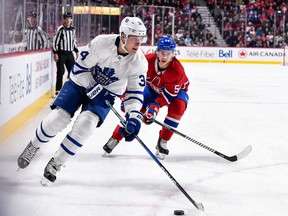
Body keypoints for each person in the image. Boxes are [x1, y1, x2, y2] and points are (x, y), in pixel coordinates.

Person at [17, 16, 148, 184]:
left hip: (105, 94)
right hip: (80, 83)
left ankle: (56, 162)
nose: (138, 43)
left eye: (141, 39)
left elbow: (135, 94)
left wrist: (134, 117)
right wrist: (92, 85)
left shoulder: (139, 62)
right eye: (134, 38)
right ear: (123, 36)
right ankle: (33, 146)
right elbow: (79, 69)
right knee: (59, 118)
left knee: (86, 125)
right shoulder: (101, 43)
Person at [103, 36, 189, 160]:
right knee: (136, 112)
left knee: (178, 106)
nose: (165, 57)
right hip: (152, 88)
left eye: (168, 54)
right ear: (157, 52)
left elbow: (168, 95)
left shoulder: (177, 71)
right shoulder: (146, 61)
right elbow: (132, 78)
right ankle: (116, 136)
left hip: (176, 92)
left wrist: (154, 107)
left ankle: (163, 141)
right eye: (162, 53)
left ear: (173, 54)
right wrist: (126, 95)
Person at [52, 12, 79, 96]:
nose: (68, 20)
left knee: (72, 71)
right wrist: (55, 52)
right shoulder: (61, 29)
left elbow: (73, 41)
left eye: (69, 18)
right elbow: (55, 41)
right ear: (64, 19)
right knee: (60, 71)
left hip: (69, 53)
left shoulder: (73, 30)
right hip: (61, 53)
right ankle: (58, 90)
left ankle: (70, 89)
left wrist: (77, 51)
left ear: (71, 20)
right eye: (66, 18)